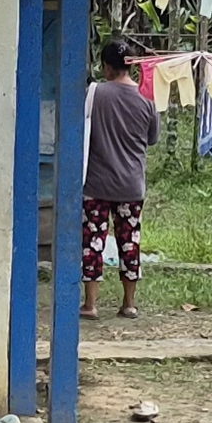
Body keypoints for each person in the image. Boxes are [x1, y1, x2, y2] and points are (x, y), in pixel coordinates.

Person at [81, 40, 158, 321]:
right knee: (130, 242)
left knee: (93, 243)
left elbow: (83, 128)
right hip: (131, 186)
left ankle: (90, 304)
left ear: (106, 66)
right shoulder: (147, 98)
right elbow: (152, 138)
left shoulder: (95, 93)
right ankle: (129, 303)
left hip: (96, 184)